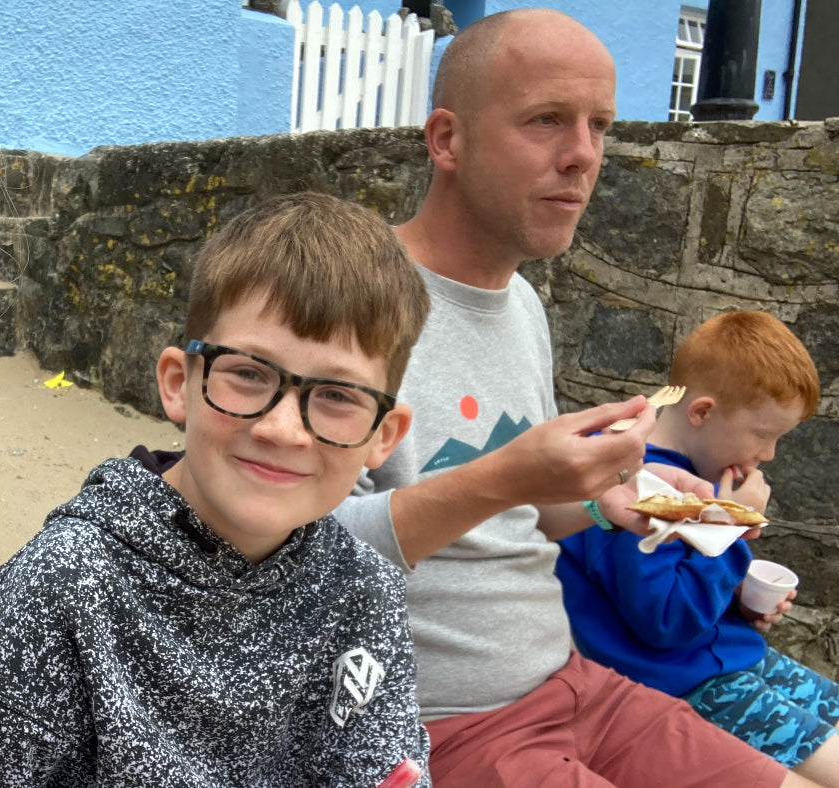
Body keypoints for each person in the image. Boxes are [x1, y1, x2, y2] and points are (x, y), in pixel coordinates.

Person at [333, 9, 822, 788]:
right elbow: (296, 548)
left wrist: (607, 502)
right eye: (547, 121)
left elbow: (520, 515)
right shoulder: (348, 299)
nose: (584, 156)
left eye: (600, 125)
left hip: (576, 685)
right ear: (446, 140)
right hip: (449, 723)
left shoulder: (522, 305)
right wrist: (510, 475)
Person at [0, 193, 432, 786]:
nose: (282, 429)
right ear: (179, 384)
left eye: (338, 396)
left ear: (383, 436)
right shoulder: (59, 588)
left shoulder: (368, 592)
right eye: (249, 374)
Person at [557, 310, 839, 784]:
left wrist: (739, 601)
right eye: (764, 435)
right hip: (687, 683)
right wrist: (730, 526)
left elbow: (685, 584)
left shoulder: (686, 474)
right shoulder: (638, 483)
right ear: (702, 412)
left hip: (732, 658)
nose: (768, 455)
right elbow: (665, 620)